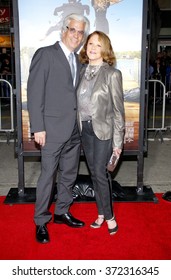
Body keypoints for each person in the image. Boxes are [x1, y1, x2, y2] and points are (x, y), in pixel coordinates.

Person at [27, 13, 90, 244]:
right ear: (63, 30)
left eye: (80, 31)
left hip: (73, 130)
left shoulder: (78, 60)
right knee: (47, 177)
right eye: (73, 29)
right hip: (51, 130)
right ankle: (41, 221)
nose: (76, 35)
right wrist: (38, 128)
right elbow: (34, 94)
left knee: (69, 174)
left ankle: (62, 211)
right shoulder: (46, 55)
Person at [77, 31, 125, 235]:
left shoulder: (112, 74)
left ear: (105, 49)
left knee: (99, 172)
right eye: (90, 43)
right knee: (94, 173)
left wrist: (117, 143)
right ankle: (100, 213)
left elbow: (118, 111)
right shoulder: (81, 71)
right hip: (85, 129)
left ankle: (109, 216)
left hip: (104, 131)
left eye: (98, 44)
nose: (92, 47)